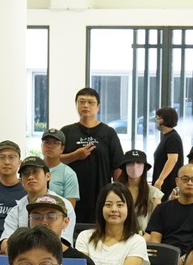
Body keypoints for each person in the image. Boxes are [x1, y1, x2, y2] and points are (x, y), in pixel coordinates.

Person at [57, 87, 124, 218]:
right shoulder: (66, 131)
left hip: (101, 196)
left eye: (91, 102)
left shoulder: (108, 133)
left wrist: (118, 194)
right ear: (76, 105)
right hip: (71, 196)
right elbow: (54, 160)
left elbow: (118, 167)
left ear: (98, 106)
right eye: (82, 102)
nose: (86, 105)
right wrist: (75, 155)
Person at [145, 166, 193, 254]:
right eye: (185, 179)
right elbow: (155, 242)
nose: (189, 183)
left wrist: (185, 259)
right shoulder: (161, 209)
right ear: (177, 182)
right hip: (166, 257)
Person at [1, 157, 77, 242]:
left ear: (48, 176)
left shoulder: (65, 205)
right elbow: (5, 242)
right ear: (21, 181)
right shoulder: (16, 210)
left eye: (35, 172)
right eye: (26, 174)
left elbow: (63, 243)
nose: (30, 177)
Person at [115, 149, 161, 231]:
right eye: (130, 163)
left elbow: (156, 225)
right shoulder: (115, 191)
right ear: (124, 167)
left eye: (139, 163)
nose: (134, 166)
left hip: (144, 237)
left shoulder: (154, 193)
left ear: (144, 167)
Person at [39, 129, 80, 206]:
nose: (50, 146)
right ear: (41, 146)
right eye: (46, 142)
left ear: (62, 149)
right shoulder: (33, 169)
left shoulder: (68, 174)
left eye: (55, 143)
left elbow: (70, 207)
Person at [151, 106, 183, 194]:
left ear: (165, 120)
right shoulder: (167, 136)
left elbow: (172, 159)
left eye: (158, 118)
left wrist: (161, 179)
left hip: (168, 185)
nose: (156, 121)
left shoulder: (173, 138)